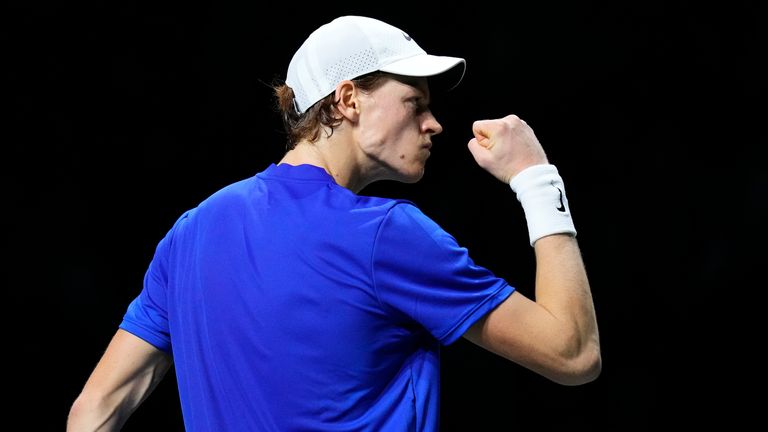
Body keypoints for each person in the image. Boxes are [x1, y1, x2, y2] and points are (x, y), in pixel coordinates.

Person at [67, 15, 601, 432]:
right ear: (347, 100)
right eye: (414, 101)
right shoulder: (384, 234)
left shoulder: (191, 232)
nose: (433, 123)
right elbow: (572, 352)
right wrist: (535, 177)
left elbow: (95, 409)